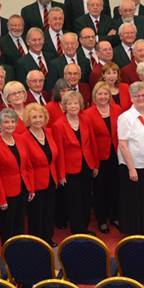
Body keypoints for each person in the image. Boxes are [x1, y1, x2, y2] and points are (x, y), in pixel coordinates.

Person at [116, 81, 144, 237]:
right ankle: (133, 230)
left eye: (143, 95)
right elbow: (122, 144)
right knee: (133, 199)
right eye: (137, 96)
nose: (141, 98)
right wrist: (131, 168)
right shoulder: (125, 117)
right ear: (131, 98)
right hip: (132, 165)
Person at [54, 90, 98, 233]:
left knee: (86, 198)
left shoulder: (86, 120)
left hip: (87, 165)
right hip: (70, 169)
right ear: (64, 106)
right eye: (69, 103)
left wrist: (96, 164)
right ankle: (78, 231)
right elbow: (59, 152)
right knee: (74, 202)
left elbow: (92, 144)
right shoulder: (58, 125)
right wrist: (61, 174)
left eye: (75, 103)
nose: (73, 106)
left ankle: (84, 227)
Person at [81, 81, 121, 232]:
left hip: (117, 154)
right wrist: (94, 163)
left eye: (106, 94)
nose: (103, 97)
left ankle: (115, 216)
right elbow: (87, 141)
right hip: (99, 157)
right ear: (94, 96)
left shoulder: (117, 109)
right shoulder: (87, 114)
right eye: (100, 94)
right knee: (99, 189)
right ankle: (102, 219)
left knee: (115, 187)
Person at [0, 108, 33, 243]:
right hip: (7, 192)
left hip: (23, 187)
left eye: (13, 122)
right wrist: (1, 198)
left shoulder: (20, 139)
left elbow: (27, 166)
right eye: (6, 122)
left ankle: (20, 247)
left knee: (20, 221)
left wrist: (30, 187)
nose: (10, 125)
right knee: (7, 224)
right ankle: (8, 251)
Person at [22, 103, 59, 245]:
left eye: (40, 117)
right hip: (34, 182)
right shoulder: (24, 137)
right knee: (36, 214)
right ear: (28, 119)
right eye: (34, 117)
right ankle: (37, 242)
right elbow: (25, 165)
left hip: (50, 179)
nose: (38, 120)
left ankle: (48, 238)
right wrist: (30, 187)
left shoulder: (48, 132)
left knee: (49, 212)